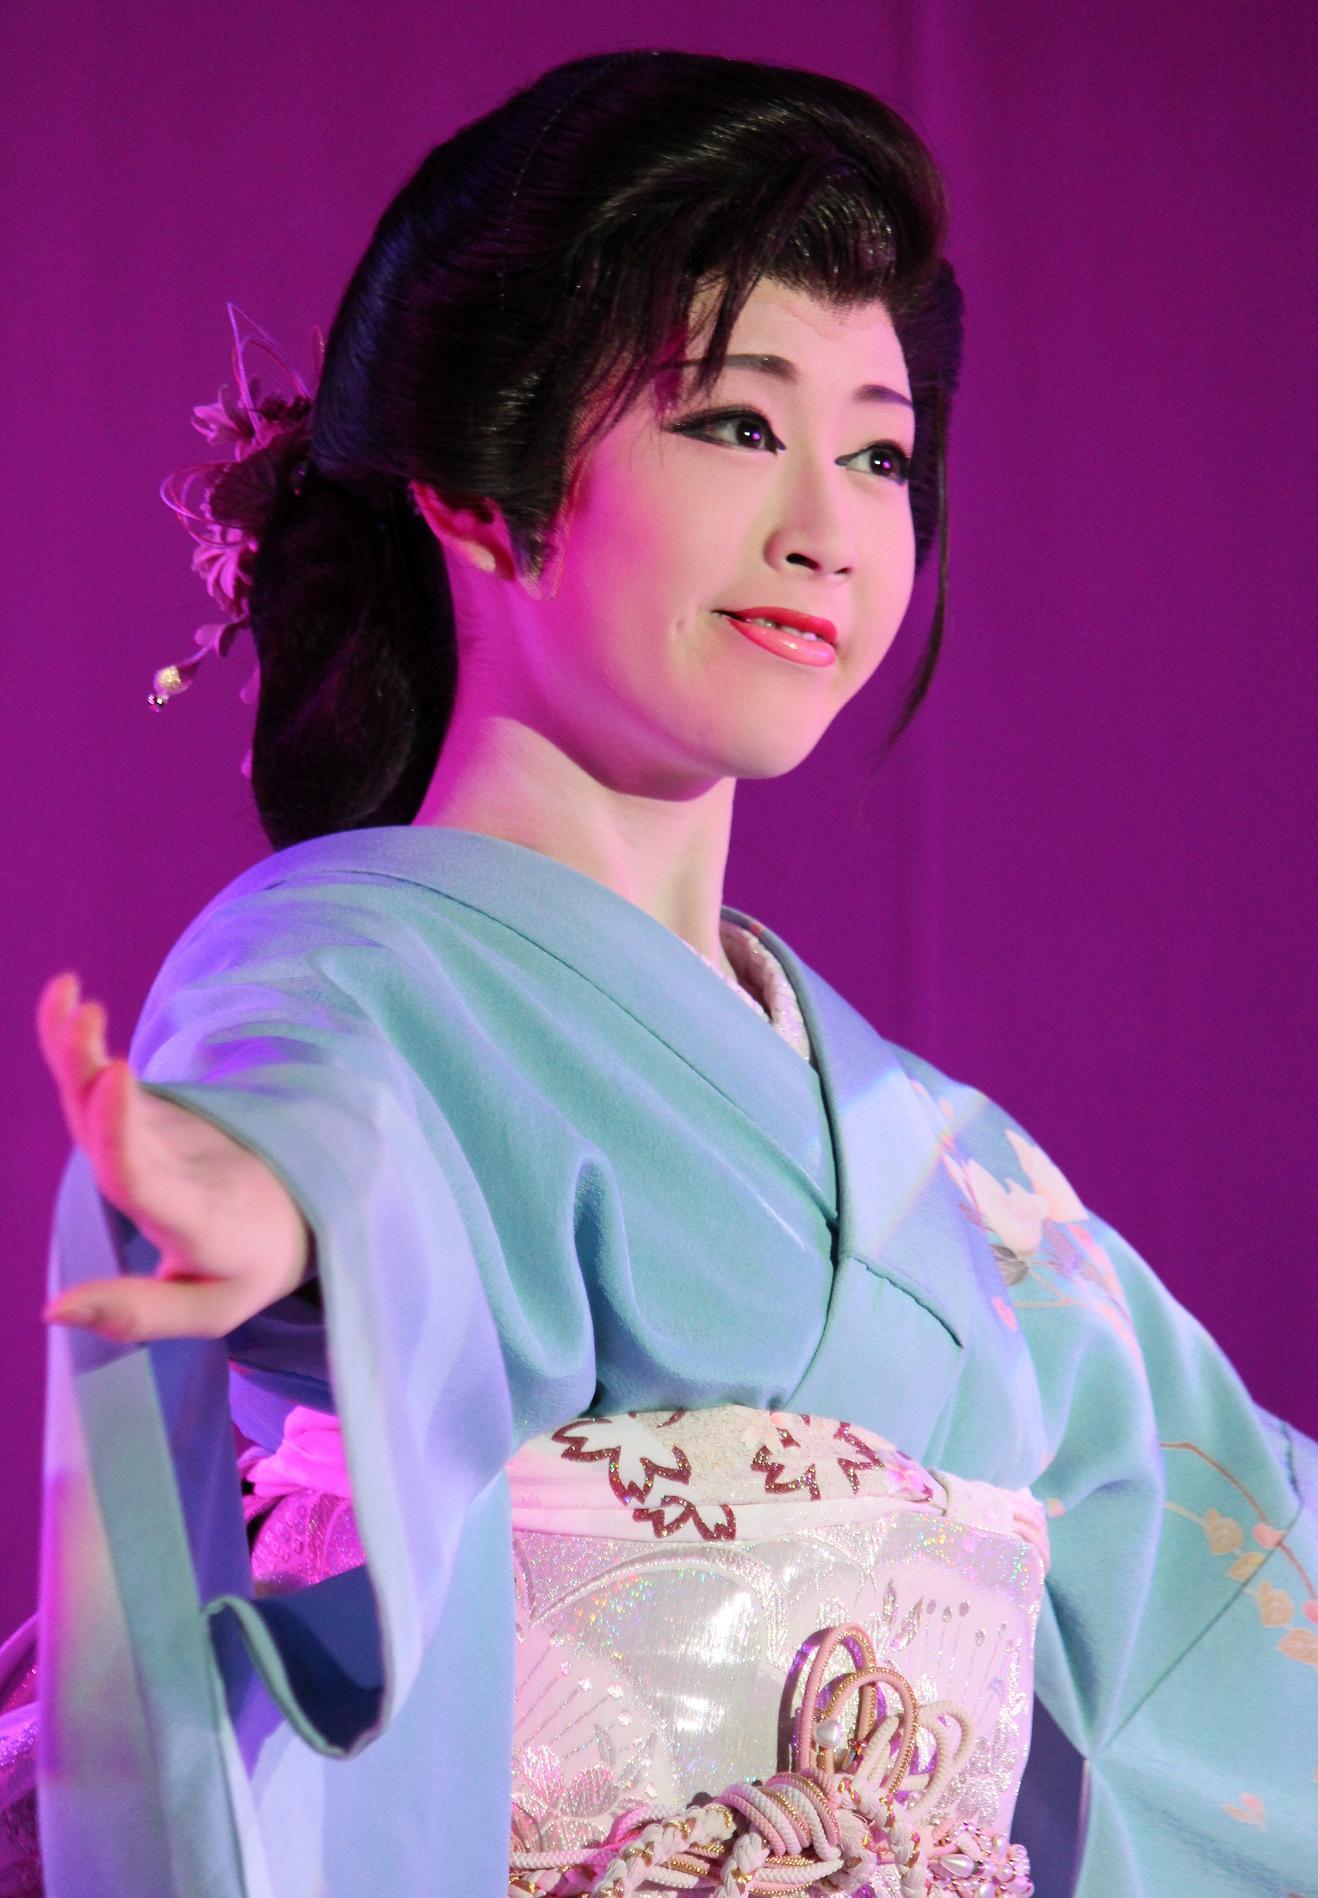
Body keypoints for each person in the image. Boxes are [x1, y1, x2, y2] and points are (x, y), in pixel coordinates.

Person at [1, 47, 1312, 1898]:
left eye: (879, 453)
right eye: (735, 425)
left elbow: (1236, 1562)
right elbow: (323, 1132)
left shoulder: (951, 1162)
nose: (827, 527)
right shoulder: (355, 962)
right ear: (479, 481)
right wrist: (265, 1214)